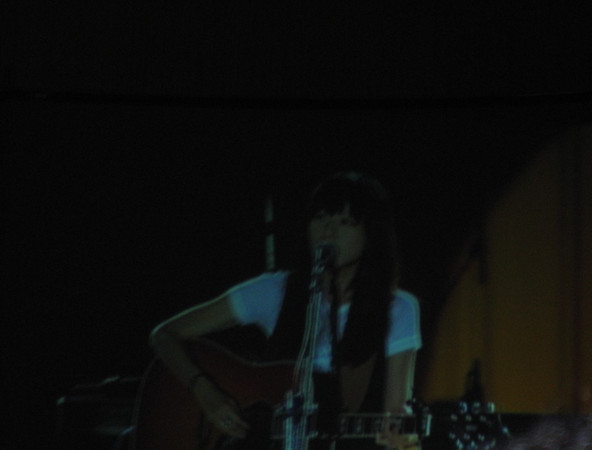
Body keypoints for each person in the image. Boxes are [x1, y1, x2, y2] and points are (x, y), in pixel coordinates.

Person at [149, 172, 422, 449]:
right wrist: (204, 390)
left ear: (370, 236)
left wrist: (405, 439)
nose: (329, 231)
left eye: (345, 222)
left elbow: (395, 414)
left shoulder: (397, 309)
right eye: (320, 218)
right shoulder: (274, 291)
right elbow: (165, 334)